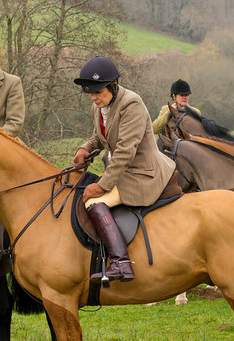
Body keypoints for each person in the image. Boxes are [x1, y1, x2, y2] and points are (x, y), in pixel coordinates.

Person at [72, 56, 178, 283]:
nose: (93, 97)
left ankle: (121, 263)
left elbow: (125, 151)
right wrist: (85, 148)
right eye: (90, 93)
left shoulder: (132, 104)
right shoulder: (99, 107)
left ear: (113, 85)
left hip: (142, 174)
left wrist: (101, 186)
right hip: (124, 171)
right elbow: (99, 137)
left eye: (98, 92)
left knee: (93, 201)